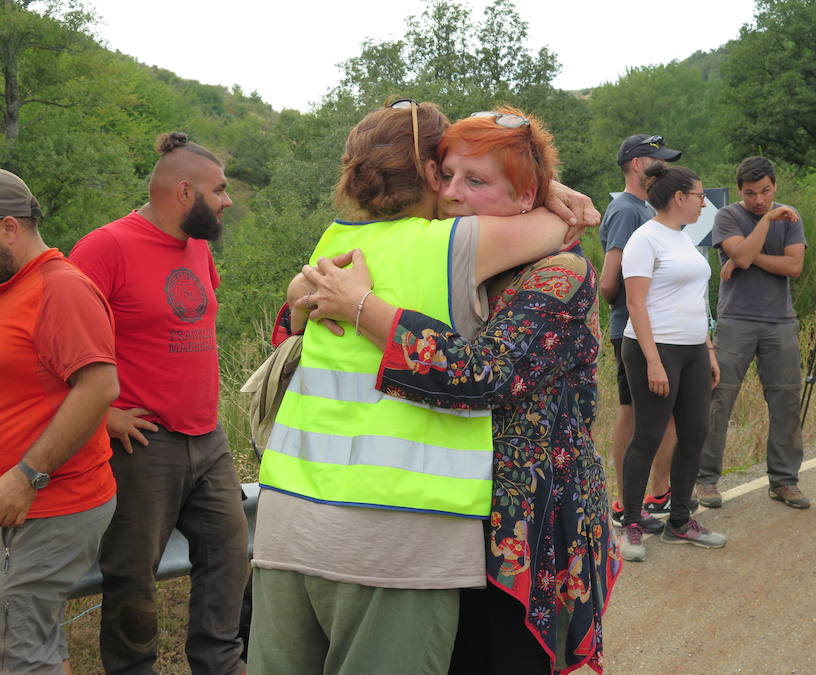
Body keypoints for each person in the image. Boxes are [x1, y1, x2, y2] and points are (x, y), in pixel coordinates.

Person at [248, 102, 599, 674]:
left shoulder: (552, 271)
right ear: (431, 178)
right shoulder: (439, 248)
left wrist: (361, 307)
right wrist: (555, 197)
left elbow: (483, 374)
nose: (456, 193)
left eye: (475, 181)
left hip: (506, 525)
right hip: (423, 525)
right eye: (449, 175)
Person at [69, 134, 249, 675]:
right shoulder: (105, 248)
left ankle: (220, 664)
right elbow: (52, 340)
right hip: (143, 445)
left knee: (230, 558)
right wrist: (102, 415)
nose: (228, 201)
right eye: (219, 190)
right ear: (184, 191)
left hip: (208, 438)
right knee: (132, 575)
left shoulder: (197, 244)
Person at [0, 169, 119, 675]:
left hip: (51, 501)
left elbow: (99, 388)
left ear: (9, 228)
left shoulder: (61, 288)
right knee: (35, 640)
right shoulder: (11, 287)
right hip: (19, 502)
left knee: (20, 649)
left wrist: (27, 475)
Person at [618, 161, 725, 562]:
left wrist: (708, 349)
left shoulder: (684, 239)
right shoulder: (644, 239)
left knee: (695, 432)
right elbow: (635, 303)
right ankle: (631, 522)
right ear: (679, 198)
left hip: (693, 349)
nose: (703, 203)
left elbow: (696, 299)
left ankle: (680, 520)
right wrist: (652, 361)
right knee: (647, 435)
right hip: (655, 348)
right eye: (699, 196)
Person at [695, 156, 810, 510]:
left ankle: (784, 481)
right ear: (740, 191)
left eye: (765, 192)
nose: (759, 200)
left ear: (775, 185)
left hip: (780, 320)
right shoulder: (727, 216)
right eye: (750, 193)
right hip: (736, 320)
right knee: (719, 399)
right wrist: (764, 226)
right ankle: (706, 480)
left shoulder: (791, 217)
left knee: (786, 401)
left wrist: (746, 254)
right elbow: (740, 258)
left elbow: (793, 266)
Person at [599, 134, 687, 530]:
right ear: (637, 164)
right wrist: (629, 308)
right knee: (633, 416)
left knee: (659, 416)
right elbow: (608, 281)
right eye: (657, 161)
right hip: (634, 330)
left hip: (657, 330)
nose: (664, 167)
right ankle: (624, 503)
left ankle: (656, 494)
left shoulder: (644, 209)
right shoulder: (626, 210)